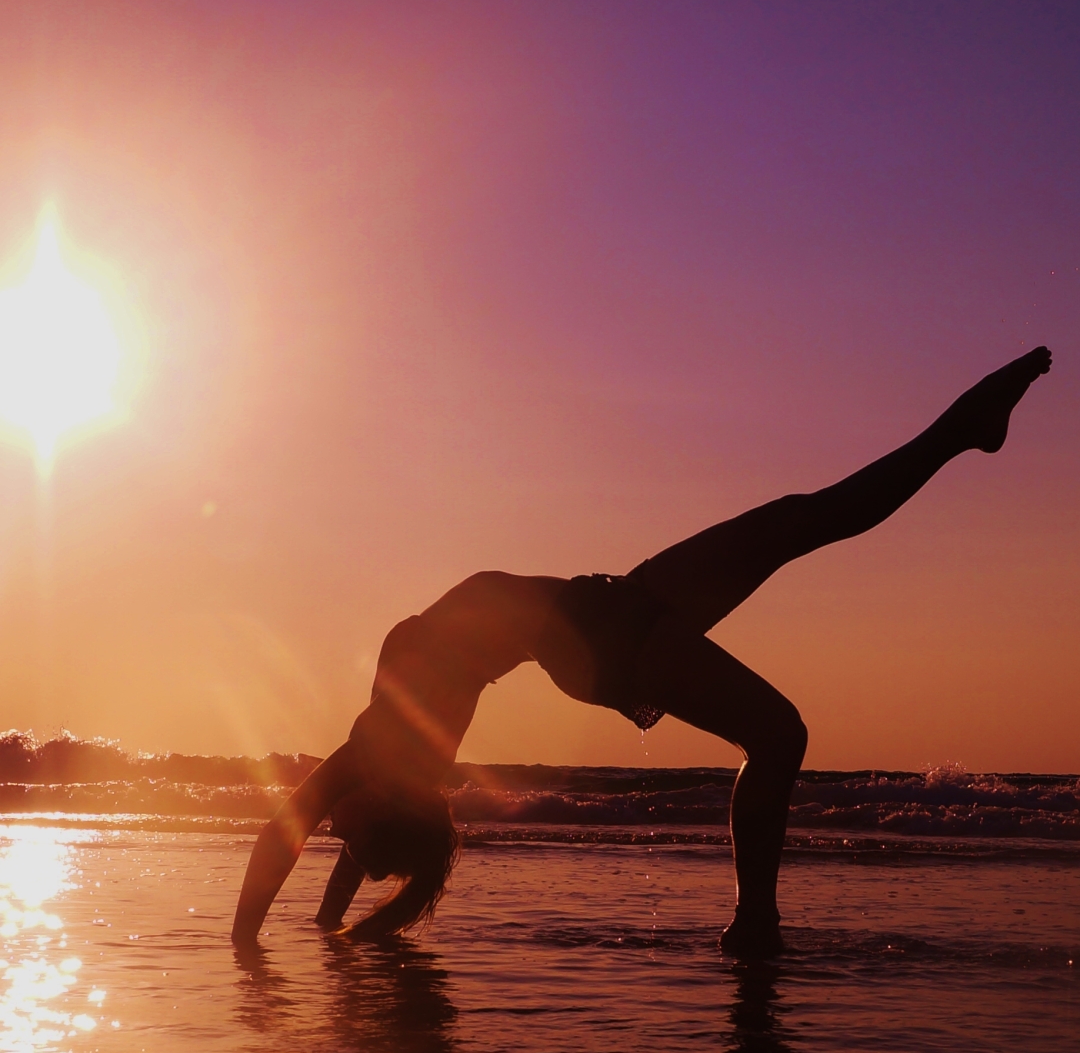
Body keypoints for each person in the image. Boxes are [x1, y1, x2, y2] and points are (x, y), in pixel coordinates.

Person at [232, 346, 1053, 957]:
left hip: (605, 610)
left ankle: (967, 426)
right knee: (781, 725)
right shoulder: (382, 758)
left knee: (809, 520)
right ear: (383, 813)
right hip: (600, 636)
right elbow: (290, 835)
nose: (334, 824)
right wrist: (245, 948)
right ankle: (754, 924)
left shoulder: (385, 769)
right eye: (351, 833)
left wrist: (325, 926)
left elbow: (333, 839)